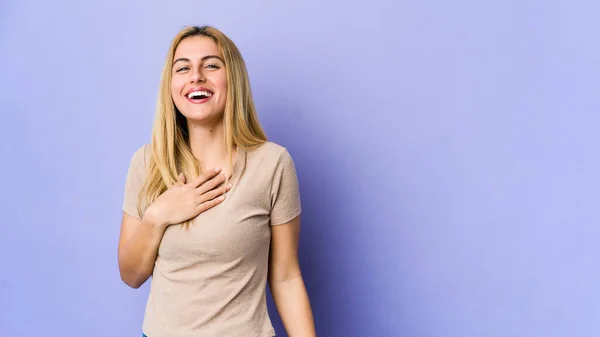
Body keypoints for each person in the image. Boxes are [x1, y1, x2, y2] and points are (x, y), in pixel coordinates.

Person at [117, 25, 316, 337]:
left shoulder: (272, 164)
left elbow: (286, 276)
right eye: (182, 68)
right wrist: (158, 216)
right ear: (171, 85)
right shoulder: (146, 163)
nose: (196, 76)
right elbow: (131, 275)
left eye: (211, 65)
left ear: (232, 79)